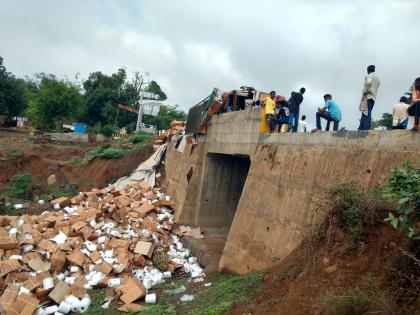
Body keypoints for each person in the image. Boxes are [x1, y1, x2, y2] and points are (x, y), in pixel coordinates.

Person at [359, 65, 380, 130]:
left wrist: (365, 91)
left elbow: (368, 82)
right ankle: (361, 128)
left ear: (368, 70)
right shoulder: (377, 78)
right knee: (367, 112)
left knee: (366, 112)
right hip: (373, 97)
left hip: (368, 96)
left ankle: (365, 128)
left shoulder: (369, 75)